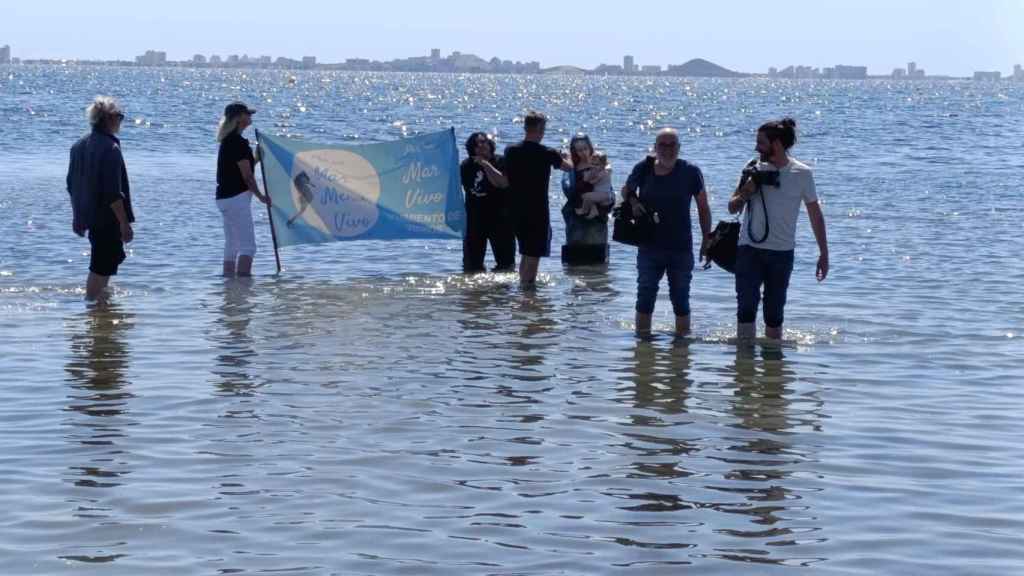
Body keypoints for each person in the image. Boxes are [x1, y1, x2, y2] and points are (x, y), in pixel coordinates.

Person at [727, 118, 829, 340]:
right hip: (749, 249)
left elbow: (815, 215)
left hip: (782, 252)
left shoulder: (802, 173)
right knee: (745, 310)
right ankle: (744, 367)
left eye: (761, 143)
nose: (756, 147)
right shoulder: (751, 168)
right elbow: (732, 207)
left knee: (774, 314)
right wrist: (747, 191)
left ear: (777, 144)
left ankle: (773, 370)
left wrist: (823, 253)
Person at [622, 128, 712, 336]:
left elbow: (703, 207)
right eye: (663, 145)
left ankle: (681, 349)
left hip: (680, 247)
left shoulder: (690, 171)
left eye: (672, 145)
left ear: (679, 148)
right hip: (648, 245)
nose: (668, 149)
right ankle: (643, 347)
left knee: (680, 298)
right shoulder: (643, 168)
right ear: (655, 148)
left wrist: (707, 239)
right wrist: (634, 202)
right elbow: (626, 190)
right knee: (645, 295)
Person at [66, 96, 135, 302]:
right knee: (101, 267)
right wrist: (124, 223)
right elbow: (113, 193)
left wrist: (77, 216)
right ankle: (94, 311)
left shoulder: (78, 146)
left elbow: (72, 186)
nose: (121, 121)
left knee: (103, 263)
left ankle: (99, 311)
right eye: (120, 116)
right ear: (108, 119)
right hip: (108, 218)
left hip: (90, 216)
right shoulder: (110, 148)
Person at [504, 111, 572, 287]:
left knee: (525, 253)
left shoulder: (511, 150)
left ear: (525, 127)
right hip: (537, 211)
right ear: (540, 130)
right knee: (533, 255)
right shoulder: (548, 153)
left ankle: (522, 287)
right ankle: (528, 294)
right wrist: (566, 157)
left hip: (515, 209)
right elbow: (568, 168)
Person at [216, 101, 270, 277]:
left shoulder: (228, 140)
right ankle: (243, 287)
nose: (250, 116)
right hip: (236, 198)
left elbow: (241, 169)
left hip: (225, 198)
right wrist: (261, 196)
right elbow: (247, 177)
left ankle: (229, 286)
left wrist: (256, 158)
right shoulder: (238, 143)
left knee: (232, 244)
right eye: (247, 114)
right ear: (239, 118)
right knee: (248, 246)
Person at [460, 132, 515, 272]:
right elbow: (452, 188)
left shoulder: (501, 161)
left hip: (500, 219)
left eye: (483, 142)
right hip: (474, 220)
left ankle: (501, 293)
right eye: (476, 145)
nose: (481, 146)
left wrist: (486, 165)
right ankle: (476, 292)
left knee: (506, 265)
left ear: (490, 144)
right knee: (471, 266)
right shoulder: (466, 166)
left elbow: (503, 183)